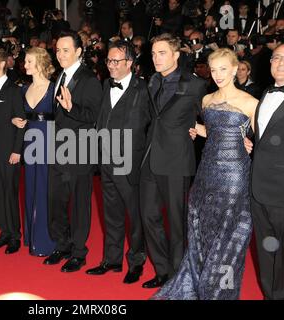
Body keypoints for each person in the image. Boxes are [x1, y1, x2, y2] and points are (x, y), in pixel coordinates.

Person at [153, 48, 258, 299]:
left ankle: (219, 292)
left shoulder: (250, 102)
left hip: (234, 177)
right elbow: (214, 131)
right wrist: (199, 131)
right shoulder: (207, 100)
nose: (218, 74)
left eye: (223, 69)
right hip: (206, 174)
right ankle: (199, 284)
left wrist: (250, 145)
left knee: (228, 238)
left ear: (235, 69)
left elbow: (265, 140)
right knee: (202, 230)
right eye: (213, 69)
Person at [139, 33, 207, 289]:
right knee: (149, 216)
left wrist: (201, 130)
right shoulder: (153, 80)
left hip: (177, 161)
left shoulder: (195, 85)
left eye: (162, 53)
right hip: (149, 158)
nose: (156, 58)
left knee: (177, 223)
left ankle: (179, 275)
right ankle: (162, 270)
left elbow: (211, 117)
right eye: (154, 53)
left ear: (176, 55)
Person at [85, 40, 150, 284]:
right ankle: (112, 260)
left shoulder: (144, 89)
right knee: (111, 214)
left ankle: (136, 262)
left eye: (116, 61)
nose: (110, 66)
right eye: (108, 61)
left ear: (130, 64)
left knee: (134, 215)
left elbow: (152, 125)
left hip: (131, 163)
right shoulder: (105, 85)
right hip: (106, 161)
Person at [244, 43, 284, 300]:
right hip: (259, 188)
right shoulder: (266, 91)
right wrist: (253, 145)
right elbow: (268, 138)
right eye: (276, 57)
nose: (280, 63)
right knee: (267, 252)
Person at [43, 31, 102, 272]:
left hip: (80, 151)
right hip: (58, 150)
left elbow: (94, 116)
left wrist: (71, 107)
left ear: (79, 52)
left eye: (65, 50)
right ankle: (62, 245)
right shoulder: (60, 77)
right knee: (55, 200)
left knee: (79, 204)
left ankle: (79, 252)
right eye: (57, 50)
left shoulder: (89, 79)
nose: (60, 54)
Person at [12, 47, 57, 257]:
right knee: (30, 187)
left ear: (39, 63)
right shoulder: (23, 89)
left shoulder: (54, 88)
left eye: (29, 61)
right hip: (30, 140)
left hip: (49, 141)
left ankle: (47, 240)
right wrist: (16, 120)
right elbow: (22, 115)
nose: (25, 65)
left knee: (46, 189)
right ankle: (31, 237)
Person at [0, 48, 25, 254]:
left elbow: (21, 122)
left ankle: (15, 236)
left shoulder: (14, 90)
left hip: (10, 152)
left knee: (9, 193)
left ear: (2, 64)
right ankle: (4, 232)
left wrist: (17, 151)